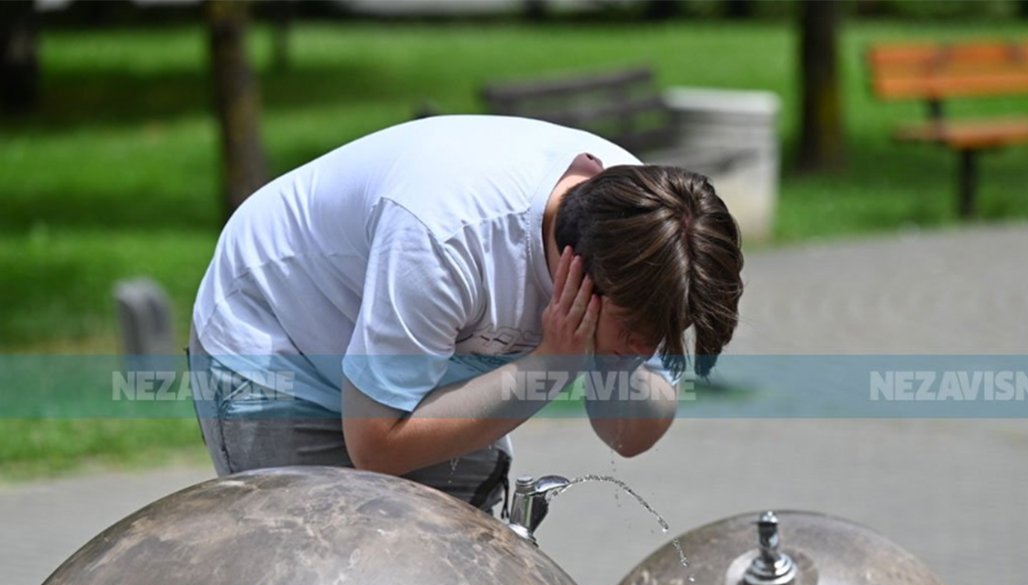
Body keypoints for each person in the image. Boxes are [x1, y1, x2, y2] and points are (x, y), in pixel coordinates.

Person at [188, 115, 744, 513]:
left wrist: (602, 356)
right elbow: (376, 445)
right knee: (313, 579)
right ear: (578, 273)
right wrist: (548, 366)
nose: (648, 348)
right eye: (636, 331)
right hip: (279, 336)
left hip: (425, 359)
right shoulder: (442, 239)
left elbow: (628, 436)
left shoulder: (654, 241)